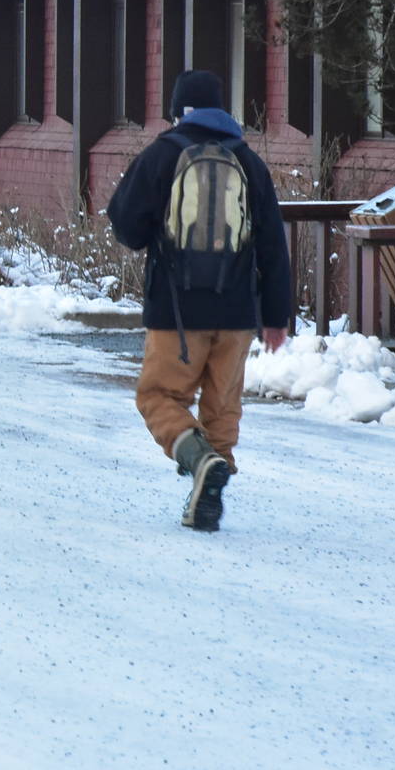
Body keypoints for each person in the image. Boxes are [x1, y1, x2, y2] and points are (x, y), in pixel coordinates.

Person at [106, 69, 292, 532]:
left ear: (178, 111)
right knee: (222, 409)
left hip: (176, 311)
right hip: (236, 313)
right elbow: (273, 243)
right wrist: (275, 316)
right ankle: (207, 490)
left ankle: (197, 459)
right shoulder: (248, 160)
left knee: (158, 395)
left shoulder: (164, 154)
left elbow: (126, 226)